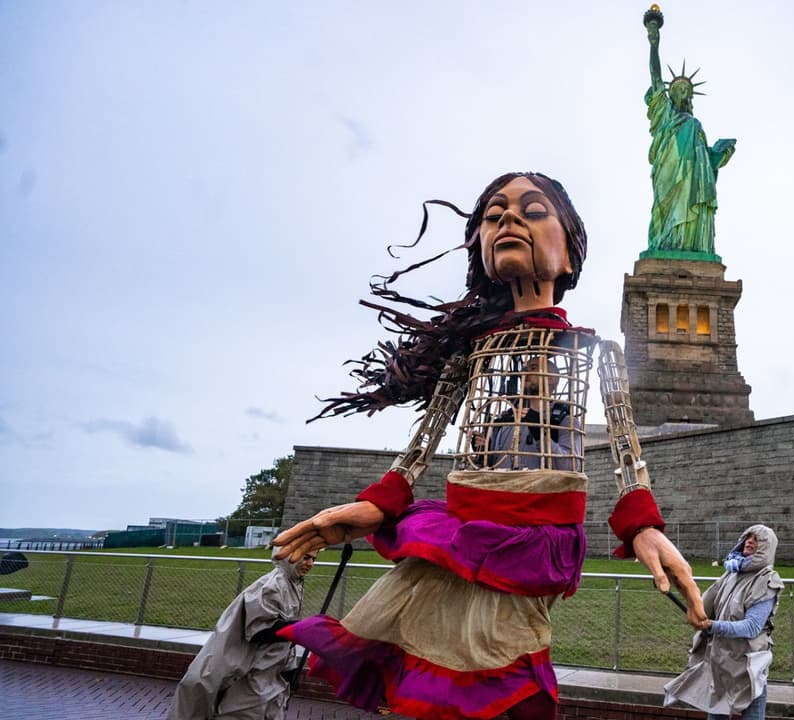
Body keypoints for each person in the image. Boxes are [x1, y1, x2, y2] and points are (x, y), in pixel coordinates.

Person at [272, 172, 706, 720]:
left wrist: (643, 525)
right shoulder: (469, 355)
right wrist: (379, 502)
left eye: (533, 210)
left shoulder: (597, 352)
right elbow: (421, 445)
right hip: (457, 528)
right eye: (494, 213)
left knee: (509, 684)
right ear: (478, 244)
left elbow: (626, 448)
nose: (508, 219)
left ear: (569, 256)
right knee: (425, 682)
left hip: (534, 537)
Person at [167, 551, 315, 720]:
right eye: (306, 557)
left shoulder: (292, 585)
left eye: (314, 559)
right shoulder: (272, 586)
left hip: (267, 679)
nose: (310, 564)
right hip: (250, 679)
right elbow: (259, 631)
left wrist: (289, 669)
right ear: (289, 555)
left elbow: (283, 641)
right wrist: (301, 628)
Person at [643, 6, 736, 257]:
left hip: (692, 180)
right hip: (669, 173)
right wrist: (654, 43)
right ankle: (667, 244)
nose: (682, 93)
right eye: (678, 89)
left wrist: (718, 155)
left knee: (690, 210)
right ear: (670, 93)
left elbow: (705, 162)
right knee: (665, 213)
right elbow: (655, 78)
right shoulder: (665, 114)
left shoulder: (695, 126)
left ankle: (690, 245)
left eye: (687, 90)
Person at [664, 525, 783, 720]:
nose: (750, 541)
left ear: (766, 548)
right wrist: (675, 580)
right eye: (748, 537)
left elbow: (752, 627)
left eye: (757, 539)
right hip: (720, 664)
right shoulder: (731, 574)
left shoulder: (767, 580)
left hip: (748, 669)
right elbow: (702, 605)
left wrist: (713, 626)